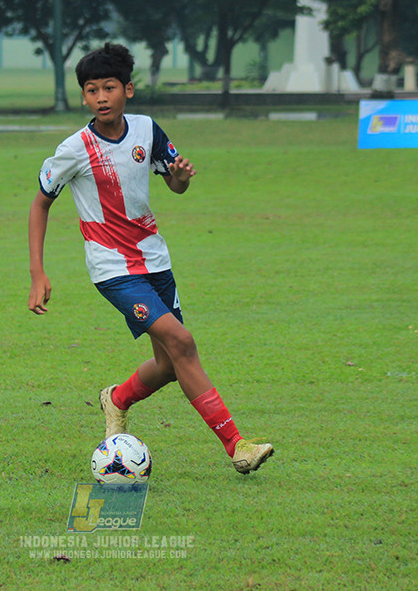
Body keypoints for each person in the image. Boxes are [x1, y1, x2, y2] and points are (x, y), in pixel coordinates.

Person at [27, 43, 273, 474]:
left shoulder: (146, 130)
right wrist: (37, 272)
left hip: (155, 260)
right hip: (113, 270)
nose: (101, 97)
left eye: (109, 87)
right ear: (84, 98)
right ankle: (237, 446)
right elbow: (40, 204)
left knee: (169, 364)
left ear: (129, 90)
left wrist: (179, 178)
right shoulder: (75, 148)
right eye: (91, 90)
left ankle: (117, 398)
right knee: (183, 344)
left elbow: (174, 185)